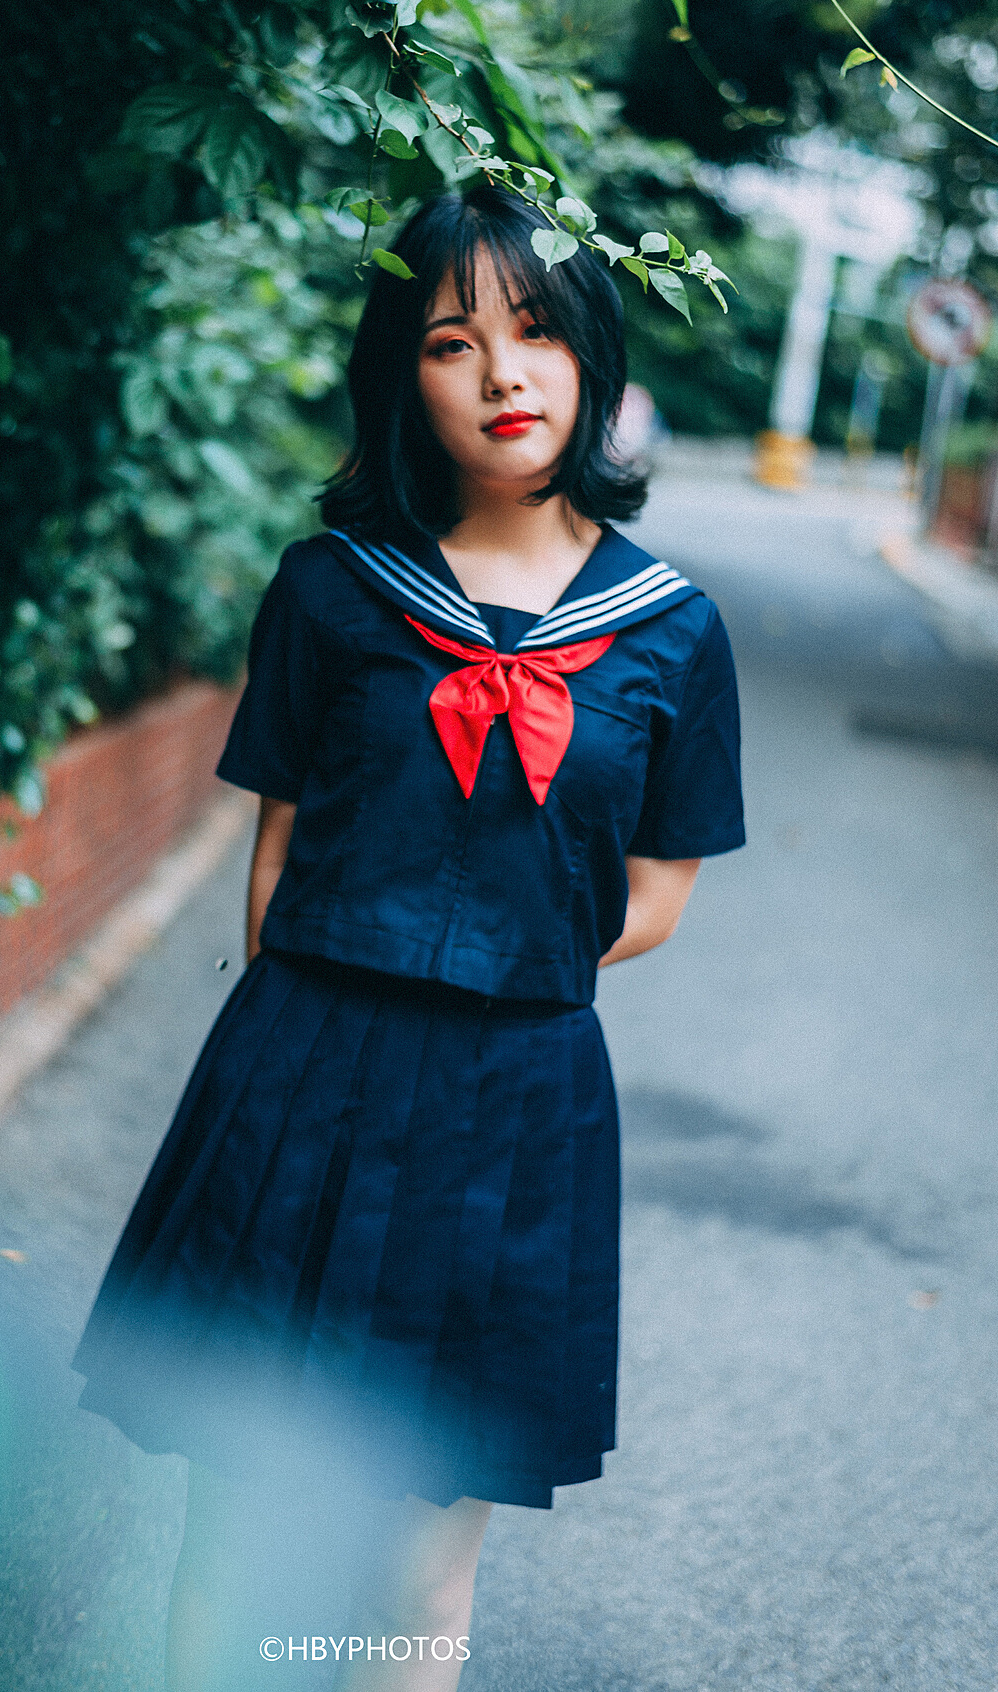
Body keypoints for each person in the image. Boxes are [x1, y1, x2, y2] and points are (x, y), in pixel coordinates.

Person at [72, 185, 746, 1690]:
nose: (506, 375)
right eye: (455, 342)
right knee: (237, 1530)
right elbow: (277, 859)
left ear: (591, 356)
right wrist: (304, 1035)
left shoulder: (674, 634)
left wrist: (502, 949)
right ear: (405, 376)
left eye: (539, 332)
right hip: (303, 1080)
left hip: (517, 1114)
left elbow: (660, 895)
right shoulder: (331, 593)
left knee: (417, 1567)